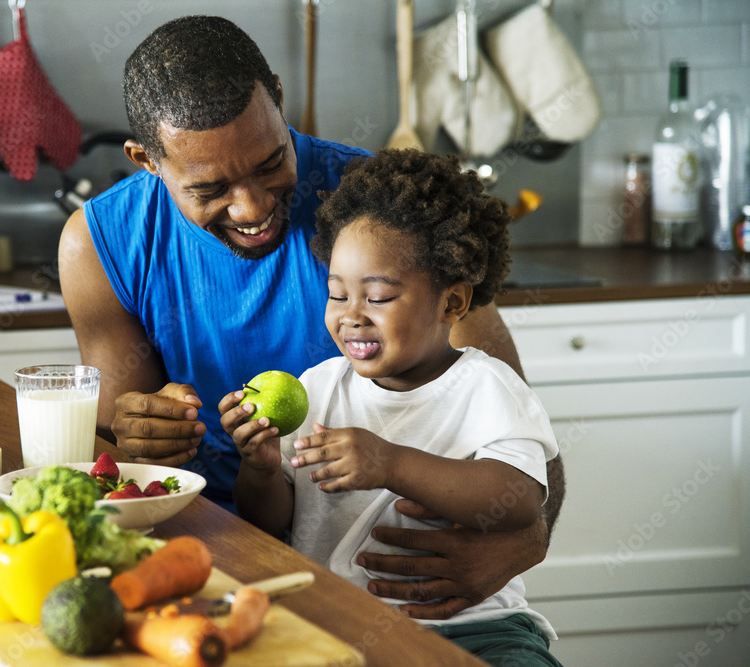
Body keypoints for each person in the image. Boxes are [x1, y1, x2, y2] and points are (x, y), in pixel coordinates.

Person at [58, 14, 566, 621]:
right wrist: (137, 433)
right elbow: (121, 460)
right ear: (147, 160)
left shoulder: (377, 214)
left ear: (277, 95)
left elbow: (522, 435)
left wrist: (521, 545)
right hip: (199, 556)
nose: (253, 207)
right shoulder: (100, 243)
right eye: (210, 188)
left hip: (397, 587)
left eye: (271, 162)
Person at [219, 149, 562, 665]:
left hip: (474, 627)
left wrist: (391, 463)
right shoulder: (318, 388)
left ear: (452, 303)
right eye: (337, 295)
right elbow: (271, 523)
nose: (351, 317)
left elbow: (517, 501)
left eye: (377, 297)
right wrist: (261, 470)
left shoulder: (487, 387)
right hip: (337, 623)